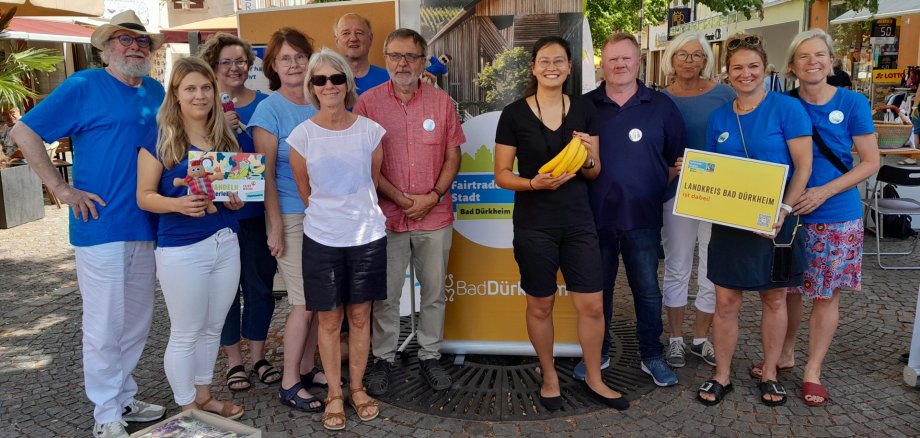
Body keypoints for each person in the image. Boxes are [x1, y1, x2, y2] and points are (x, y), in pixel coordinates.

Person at [10, 10, 166, 438]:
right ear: (105, 47)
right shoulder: (84, 85)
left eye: (142, 41)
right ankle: (105, 415)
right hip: (99, 224)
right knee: (104, 324)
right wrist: (60, 189)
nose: (134, 47)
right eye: (124, 39)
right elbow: (24, 132)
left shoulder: (155, 89)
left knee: (137, 320)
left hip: (148, 222)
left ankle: (124, 396)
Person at [493, 36, 628, 412]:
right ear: (534, 67)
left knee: (593, 306)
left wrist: (585, 158)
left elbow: (595, 170)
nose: (551, 66)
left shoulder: (584, 109)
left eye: (559, 61)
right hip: (534, 224)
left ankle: (595, 378)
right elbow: (502, 175)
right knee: (540, 305)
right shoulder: (514, 114)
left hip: (578, 222)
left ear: (570, 67)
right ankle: (549, 375)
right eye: (544, 60)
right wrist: (532, 183)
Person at [752, 29, 878, 407]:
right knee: (787, 290)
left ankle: (813, 371)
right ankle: (786, 354)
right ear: (792, 65)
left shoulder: (853, 102)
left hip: (837, 214)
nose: (813, 62)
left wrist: (824, 191)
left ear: (832, 60)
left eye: (820, 55)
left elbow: (870, 162)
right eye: (804, 57)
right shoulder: (780, 103)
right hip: (788, 213)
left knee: (825, 295)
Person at [696, 33, 812, 407]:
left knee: (774, 298)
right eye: (737, 68)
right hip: (731, 221)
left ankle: (771, 373)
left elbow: (804, 167)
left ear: (765, 69)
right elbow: (715, 171)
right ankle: (722, 375)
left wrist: (784, 210)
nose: (745, 74)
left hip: (776, 221)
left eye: (753, 67)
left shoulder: (787, 109)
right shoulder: (719, 117)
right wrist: (695, 174)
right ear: (727, 74)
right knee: (726, 300)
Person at [354, 28, 464, 396]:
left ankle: (430, 355)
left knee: (434, 292)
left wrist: (431, 196)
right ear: (385, 58)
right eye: (395, 56)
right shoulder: (367, 104)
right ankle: (383, 358)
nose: (402, 63)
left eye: (410, 57)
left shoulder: (441, 103)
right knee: (385, 295)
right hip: (386, 217)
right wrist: (401, 200)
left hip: (435, 214)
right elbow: (365, 165)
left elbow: (453, 155)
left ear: (422, 61)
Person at [136, 56, 246, 421]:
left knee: (213, 326)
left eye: (205, 88)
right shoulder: (161, 137)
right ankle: (187, 408)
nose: (199, 95)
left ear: (214, 93)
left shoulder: (224, 136)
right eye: (190, 89)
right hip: (182, 249)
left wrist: (234, 196)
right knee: (186, 331)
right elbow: (144, 195)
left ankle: (204, 396)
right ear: (176, 95)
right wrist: (178, 204)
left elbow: (236, 194)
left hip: (225, 241)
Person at [287, 48, 387, 431]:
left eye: (336, 78)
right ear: (312, 87)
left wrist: (353, 214)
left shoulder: (370, 130)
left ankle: (357, 388)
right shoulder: (302, 136)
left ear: (347, 83)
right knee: (329, 321)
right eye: (320, 79)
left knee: (361, 317)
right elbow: (304, 190)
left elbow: (372, 183)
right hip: (322, 239)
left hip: (366, 236)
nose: (329, 86)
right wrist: (333, 216)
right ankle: (333, 393)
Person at [582, 32, 684, 388]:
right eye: (612, 59)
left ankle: (651, 355)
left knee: (647, 290)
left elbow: (676, 160)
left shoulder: (661, 105)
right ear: (602, 65)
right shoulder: (585, 105)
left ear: (638, 62)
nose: (620, 65)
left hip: (643, 217)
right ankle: (599, 352)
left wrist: (650, 187)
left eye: (626, 58)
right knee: (599, 289)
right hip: (595, 217)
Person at [248, 27, 326, 412]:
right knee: (303, 301)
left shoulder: (321, 98)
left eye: (300, 56)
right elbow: (264, 176)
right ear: (273, 67)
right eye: (285, 59)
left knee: (318, 298)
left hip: (325, 217)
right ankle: (290, 381)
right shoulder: (269, 109)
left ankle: (309, 367)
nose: (294, 64)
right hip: (291, 216)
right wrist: (275, 226)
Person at [198, 32, 278, 392]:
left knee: (260, 288)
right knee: (225, 293)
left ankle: (259, 355)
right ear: (214, 65)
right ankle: (234, 361)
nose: (235, 67)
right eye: (226, 61)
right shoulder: (201, 104)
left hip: (257, 214)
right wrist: (218, 132)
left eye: (241, 61)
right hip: (218, 219)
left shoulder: (265, 104)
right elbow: (191, 159)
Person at [659, 31, 735, 369]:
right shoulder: (659, 99)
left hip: (716, 193)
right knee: (676, 266)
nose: (688, 60)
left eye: (696, 55)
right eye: (682, 54)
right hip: (676, 193)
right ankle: (675, 338)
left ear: (706, 59)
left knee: (710, 268)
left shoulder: (725, 95)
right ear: (671, 59)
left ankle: (701, 339)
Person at [334, 13, 389, 95]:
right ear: (336, 40)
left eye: (359, 33)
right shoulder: (326, 82)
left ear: (370, 38)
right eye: (346, 33)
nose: (353, 38)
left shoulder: (389, 80)